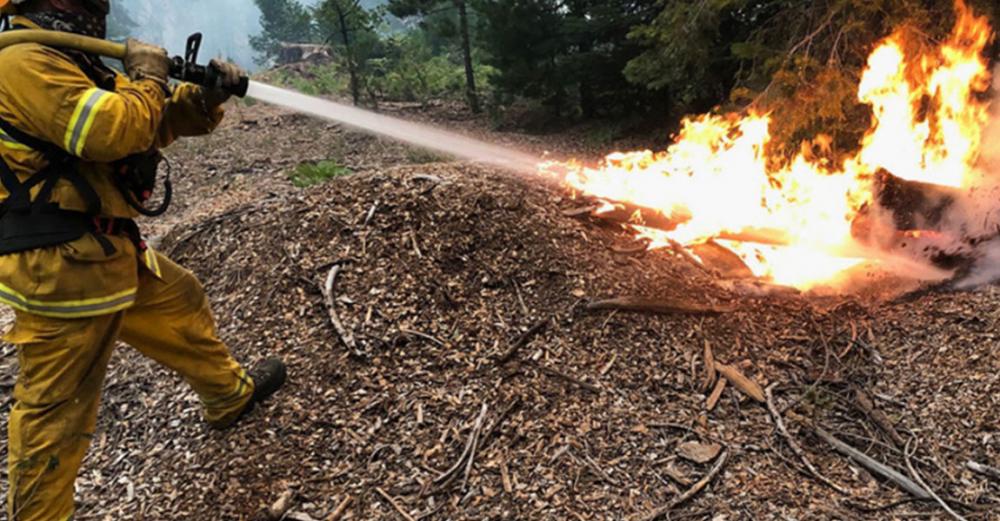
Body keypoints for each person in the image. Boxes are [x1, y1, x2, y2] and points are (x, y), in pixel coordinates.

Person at [0, 0, 287, 518]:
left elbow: (150, 124)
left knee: (181, 301)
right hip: (60, 270)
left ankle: (227, 395)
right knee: (54, 421)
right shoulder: (20, 63)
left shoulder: (69, 59)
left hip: (101, 254)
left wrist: (203, 96)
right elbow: (110, 131)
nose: (97, 6)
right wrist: (147, 78)